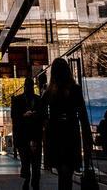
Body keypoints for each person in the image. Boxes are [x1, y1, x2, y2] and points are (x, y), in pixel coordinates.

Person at [42, 58, 93, 190]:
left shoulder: (49, 92)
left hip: (55, 133)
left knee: (61, 169)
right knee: (68, 170)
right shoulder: (75, 89)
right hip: (71, 131)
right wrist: (87, 136)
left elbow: (41, 113)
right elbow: (82, 114)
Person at [11, 77, 45, 189]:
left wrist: (33, 115)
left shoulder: (37, 99)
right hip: (25, 134)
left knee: (31, 161)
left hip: (32, 134)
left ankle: (31, 181)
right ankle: (29, 179)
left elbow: (43, 116)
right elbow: (14, 117)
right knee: (30, 161)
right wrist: (24, 115)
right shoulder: (21, 100)